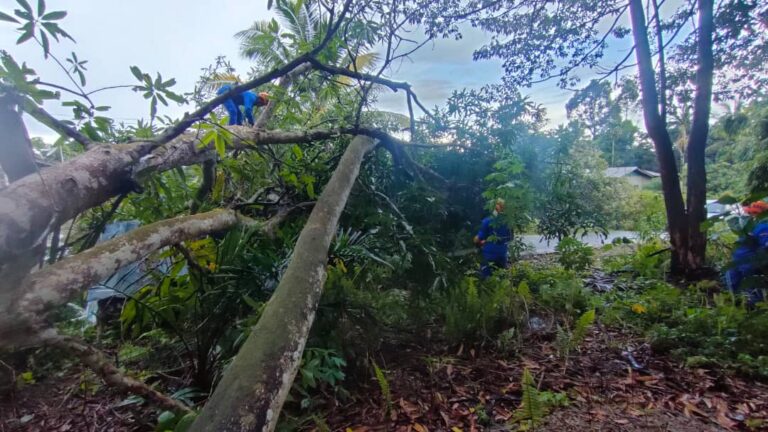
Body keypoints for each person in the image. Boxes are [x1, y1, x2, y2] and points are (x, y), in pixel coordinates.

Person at [725, 200, 768, 305]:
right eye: (750, 212)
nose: (752, 215)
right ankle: (737, 305)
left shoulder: (763, 226)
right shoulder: (749, 224)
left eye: (755, 213)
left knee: (753, 290)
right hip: (738, 261)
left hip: (750, 263)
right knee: (732, 283)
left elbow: (766, 246)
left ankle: (755, 307)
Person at [474, 198, 512, 279]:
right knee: (501, 279)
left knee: (487, 279)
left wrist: (478, 242)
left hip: (489, 254)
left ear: (492, 207)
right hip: (502, 254)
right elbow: (510, 238)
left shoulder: (487, 221)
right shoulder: (508, 222)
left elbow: (478, 238)